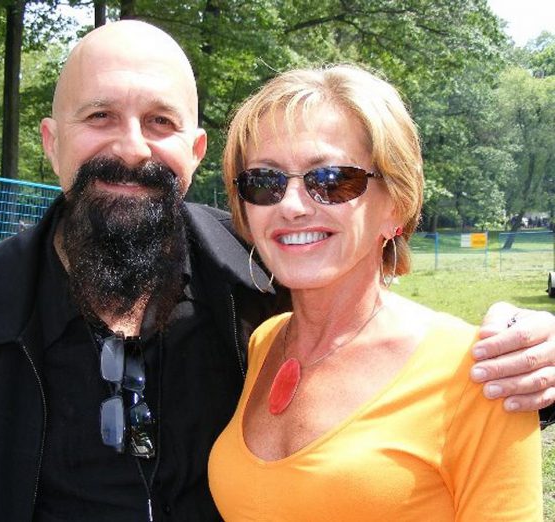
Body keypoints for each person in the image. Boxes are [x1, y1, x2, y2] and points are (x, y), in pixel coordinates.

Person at [0, 21, 555, 522]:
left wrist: (534, 361)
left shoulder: (253, 282)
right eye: (99, 116)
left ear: (195, 151)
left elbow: (410, 378)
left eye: (161, 121)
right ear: (53, 144)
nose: (132, 145)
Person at [208, 65, 542, 520]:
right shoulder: (262, 341)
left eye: (330, 180)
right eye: (264, 182)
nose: (290, 206)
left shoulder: (479, 372)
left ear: (397, 206)